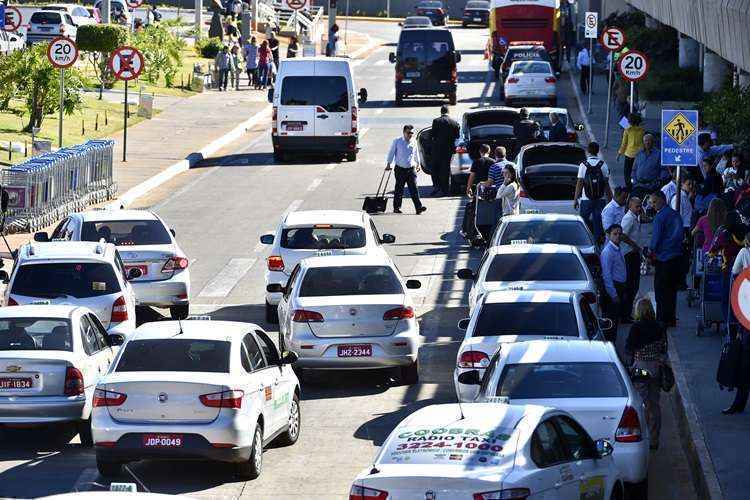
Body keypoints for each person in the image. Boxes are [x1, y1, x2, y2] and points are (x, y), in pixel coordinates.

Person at [625, 298, 668, 448]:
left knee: (642, 403)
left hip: (641, 368)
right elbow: (663, 348)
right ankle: (655, 439)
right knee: (655, 404)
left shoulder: (636, 328)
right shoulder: (659, 326)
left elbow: (628, 348)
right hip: (656, 367)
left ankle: (642, 437)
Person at [648, 191, 685, 326]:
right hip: (676, 256)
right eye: (652, 202)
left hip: (664, 258)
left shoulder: (660, 217)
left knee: (661, 290)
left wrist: (651, 251)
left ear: (662, 200)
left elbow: (656, 239)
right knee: (671, 290)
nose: (653, 205)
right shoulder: (675, 215)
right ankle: (670, 318)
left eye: (655, 202)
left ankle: (662, 318)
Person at [574, 141, 613, 244]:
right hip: (600, 199)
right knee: (598, 223)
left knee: (584, 222)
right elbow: (606, 185)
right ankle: (597, 244)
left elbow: (579, 183)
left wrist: (575, 199)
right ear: (598, 151)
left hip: (586, 199)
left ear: (588, 151)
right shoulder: (603, 165)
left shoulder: (583, 165)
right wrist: (610, 200)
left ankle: (586, 242)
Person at [385, 125, 427, 215]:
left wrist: (418, 164)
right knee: (399, 189)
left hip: (411, 169)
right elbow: (391, 152)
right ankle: (396, 207)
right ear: (404, 132)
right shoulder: (397, 141)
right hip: (400, 169)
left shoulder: (414, 142)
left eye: (412, 133)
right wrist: (389, 164)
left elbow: (416, 154)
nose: (410, 135)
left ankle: (418, 208)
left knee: (414, 189)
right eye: (408, 133)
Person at [600, 224, 627, 342]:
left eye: (619, 234)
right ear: (609, 235)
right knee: (611, 321)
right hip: (613, 289)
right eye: (615, 234)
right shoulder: (608, 252)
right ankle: (609, 345)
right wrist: (613, 294)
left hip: (620, 286)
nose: (617, 236)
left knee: (616, 320)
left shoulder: (618, 248)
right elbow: (607, 275)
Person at [621, 196, 644, 320]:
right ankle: (625, 314)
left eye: (640, 206)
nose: (639, 208)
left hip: (634, 254)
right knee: (631, 285)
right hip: (630, 255)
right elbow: (622, 235)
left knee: (633, 286)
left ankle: (627, 313)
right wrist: (634, 245)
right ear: (630, 206)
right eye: (637, 206)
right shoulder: (629, 218)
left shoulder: (635, 217)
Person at [430, 105, 460, 196]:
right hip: (449, 150)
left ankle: (436, 186)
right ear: (448, 112)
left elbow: (432, 135)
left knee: (435, 168)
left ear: (441, 112)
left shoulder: (436, 121)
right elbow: (457, 136)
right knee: (445, 169)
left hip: (437, 150)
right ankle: (445, 189)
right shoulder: (454, 122)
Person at [618, 113, 645, 190]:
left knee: (627, 172)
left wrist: (619, 153)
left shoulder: (627, 130)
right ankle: (636, 185)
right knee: (637, 171)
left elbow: (624, 143)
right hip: (639, 154)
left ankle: (628, 187)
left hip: (629, 154)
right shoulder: (642, 130)